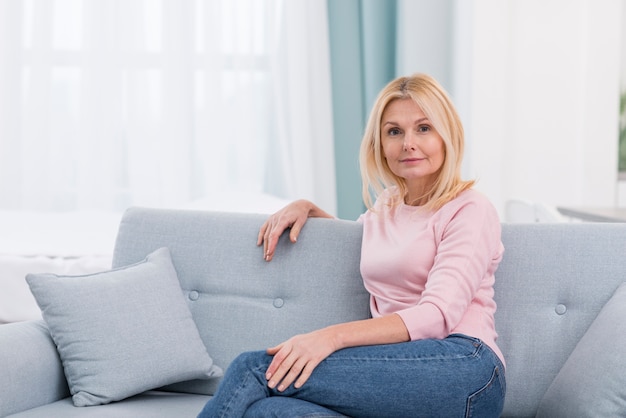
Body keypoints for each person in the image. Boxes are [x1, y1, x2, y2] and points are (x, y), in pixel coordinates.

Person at [197, 73, 506, 418]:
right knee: (270, 411)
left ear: (447, 136)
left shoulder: (470, 209)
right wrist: (308, 208)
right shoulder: (385, 208)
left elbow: (437, 316)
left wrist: (330, 337)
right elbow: (370, 247)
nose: (408, 143)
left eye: (424, 128)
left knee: (253, 369)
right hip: (399, 372)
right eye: (394, 131)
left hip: (463, 368)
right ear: (380, 145)